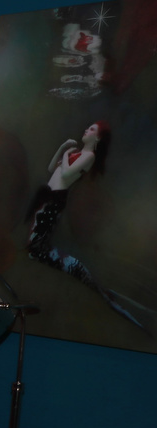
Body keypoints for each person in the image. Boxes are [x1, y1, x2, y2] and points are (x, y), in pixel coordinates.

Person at [24, 122, 141, 328]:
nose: (87, 130)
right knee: (35, 248)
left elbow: (66, 175)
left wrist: (66, 155)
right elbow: (52, 169)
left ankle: (87, 279)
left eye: (92, 129)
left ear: (98, 138)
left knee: (36, 248)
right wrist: (63, 148)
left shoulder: (88, 156)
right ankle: (90, 281)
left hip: (54, 201)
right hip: (48, 199)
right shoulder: (77, 153)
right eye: (88, 127)